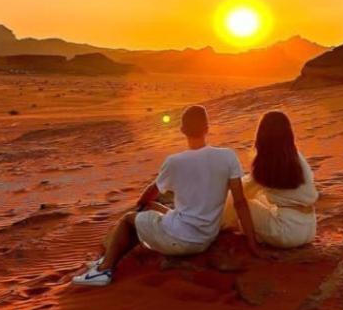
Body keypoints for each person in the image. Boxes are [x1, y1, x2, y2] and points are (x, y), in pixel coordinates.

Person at [73, 104, 263, 287]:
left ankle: (103, 270)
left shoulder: (175, 162)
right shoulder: (227, 157)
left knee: (129, 220)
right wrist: (252, 245)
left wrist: (142, 203)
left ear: (182, 130)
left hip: (180, 239)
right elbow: (240, 203)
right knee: (155, 215)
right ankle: (107, 260)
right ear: (207, 128)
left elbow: (151, 192)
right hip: (205, 238)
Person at [221, 110, 318, 248]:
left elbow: (241, 193)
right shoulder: (297, 158)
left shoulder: (267, 162)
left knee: (238, 201)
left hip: (286, 232)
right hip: (309, 229)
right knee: (259, 199)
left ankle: (216, 227)